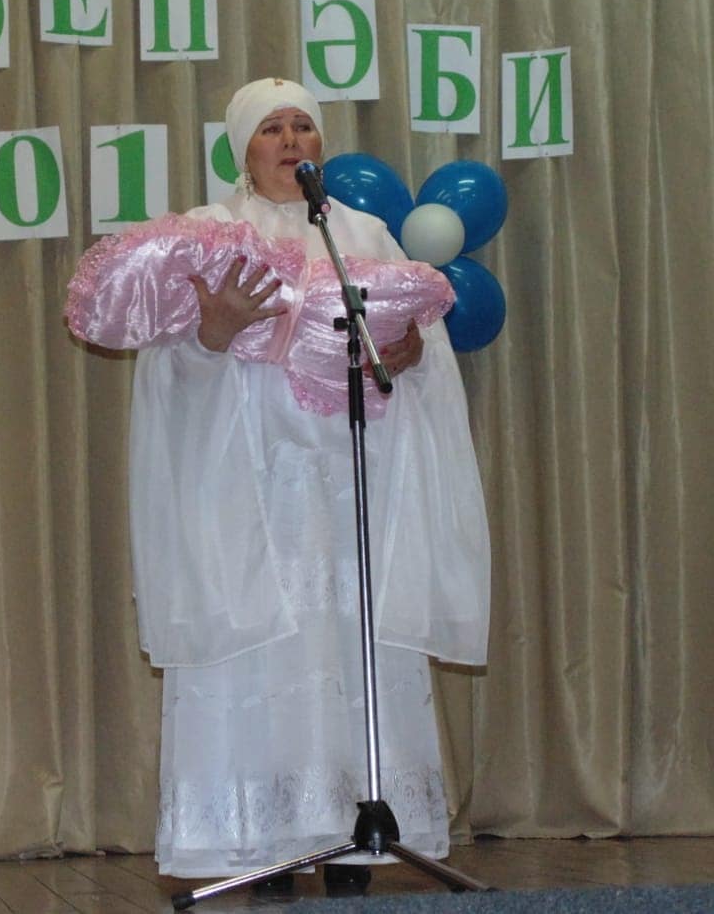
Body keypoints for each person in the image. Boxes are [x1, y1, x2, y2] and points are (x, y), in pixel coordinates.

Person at [127, 77, 490, 893]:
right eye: (271, 128)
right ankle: (266, 852)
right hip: (251, 496)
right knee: (264, 668)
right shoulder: (207, 233)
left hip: (351, 492)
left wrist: (408, 355)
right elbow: (170, 373)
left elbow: (417, 345)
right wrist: (211, 334)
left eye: (303, 126)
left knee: (353, 659)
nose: (290, 141)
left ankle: (356, 851)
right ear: (242, 147)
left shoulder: (361, 232)